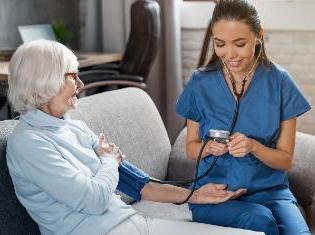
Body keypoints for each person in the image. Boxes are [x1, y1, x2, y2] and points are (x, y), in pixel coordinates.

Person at [6, 39, 248, 235]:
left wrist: (198, 194)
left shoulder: (73, 127)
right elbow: (94, 200)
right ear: (45, 82)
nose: (80, 84)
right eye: (72, 76)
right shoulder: (29, 144)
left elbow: (139, 184)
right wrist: (109, 161)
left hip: (132, 223)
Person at [176, 1, 311, 235]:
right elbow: (190, 148)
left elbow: (285, 161)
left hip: (271, 192)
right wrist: (207, 148)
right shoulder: (200, 83)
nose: (230, 55)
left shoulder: (280, 82)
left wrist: (253, 147)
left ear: (258, 35)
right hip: (215, 193)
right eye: (220, 44)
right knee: (261, 221)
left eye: (240, 44)